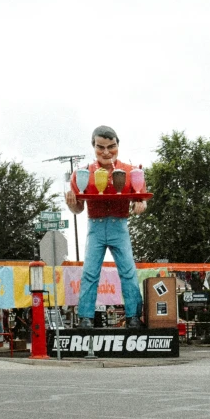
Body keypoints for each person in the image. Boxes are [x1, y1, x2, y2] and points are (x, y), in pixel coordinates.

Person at [66, 125, 147, 329]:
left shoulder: (130, 172)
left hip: (119, 225)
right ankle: (86, 317)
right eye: (100, 147)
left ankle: (133, 316)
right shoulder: (83, 173)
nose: (106, 152)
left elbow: (141, 200)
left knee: (128, 270)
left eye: (111, 146)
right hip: (95, 226)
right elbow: (78, 208)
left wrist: (140, 205)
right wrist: (71, 204)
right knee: (90, 272)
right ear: (93, 146)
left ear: (118, 145)